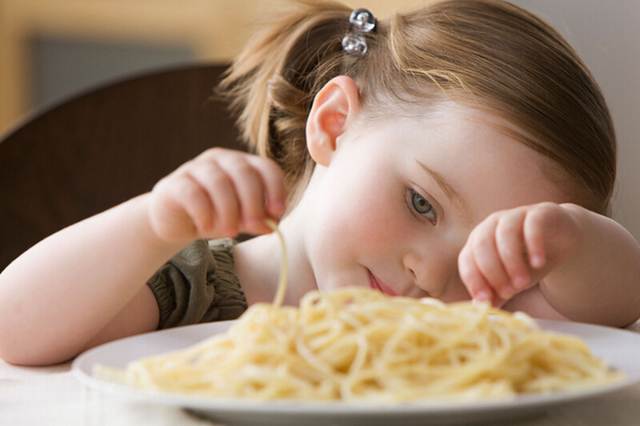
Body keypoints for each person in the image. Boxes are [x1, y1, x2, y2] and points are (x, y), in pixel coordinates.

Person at [1, 0, 639, 366]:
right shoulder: (196, 289)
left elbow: (623, 302)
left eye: (496, 255)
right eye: (421, 203)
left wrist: (566, 242)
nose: (433, 275)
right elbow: (12, 328)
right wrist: (154, 224)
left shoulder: (478, 318)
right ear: (333, 126)